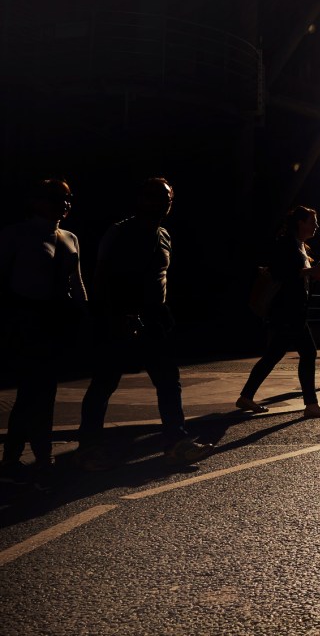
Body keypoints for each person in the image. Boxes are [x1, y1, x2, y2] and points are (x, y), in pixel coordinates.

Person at [77, 177, 216, 468]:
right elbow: (102, 277)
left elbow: (160, 279)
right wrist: (112, 315)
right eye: (154, 196)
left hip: (155, 317)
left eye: (167, 198)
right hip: (121, 315)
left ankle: (176, 442)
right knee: (105, 382)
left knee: (168, 381)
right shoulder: (120, 232)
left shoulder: (164, 235)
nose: (162, 203)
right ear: (140, 200)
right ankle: (89, 447)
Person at [0, 179, 88, 485]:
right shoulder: (16, 235)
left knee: (45, 389)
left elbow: (76, 283)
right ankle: (31, 453)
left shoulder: (70, 238)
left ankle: (27, 455)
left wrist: (85, 315)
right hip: (27, 320)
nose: (63, 204)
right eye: (55, 198)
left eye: (67, 199)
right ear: (35, 201)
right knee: (32, 390)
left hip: (56, 321)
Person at [236, 206, 320, 418]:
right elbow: (281, 273)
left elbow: (299, 277)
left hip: (292, 310)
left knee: (273, 354)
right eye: (312, 221)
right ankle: (311, 404)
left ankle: (246, 396)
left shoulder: (301, 246)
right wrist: (310, 271)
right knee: (308, 353)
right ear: (300, 223)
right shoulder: (286, 244)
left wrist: (316, 276)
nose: (316, 226)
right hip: (287, 310)